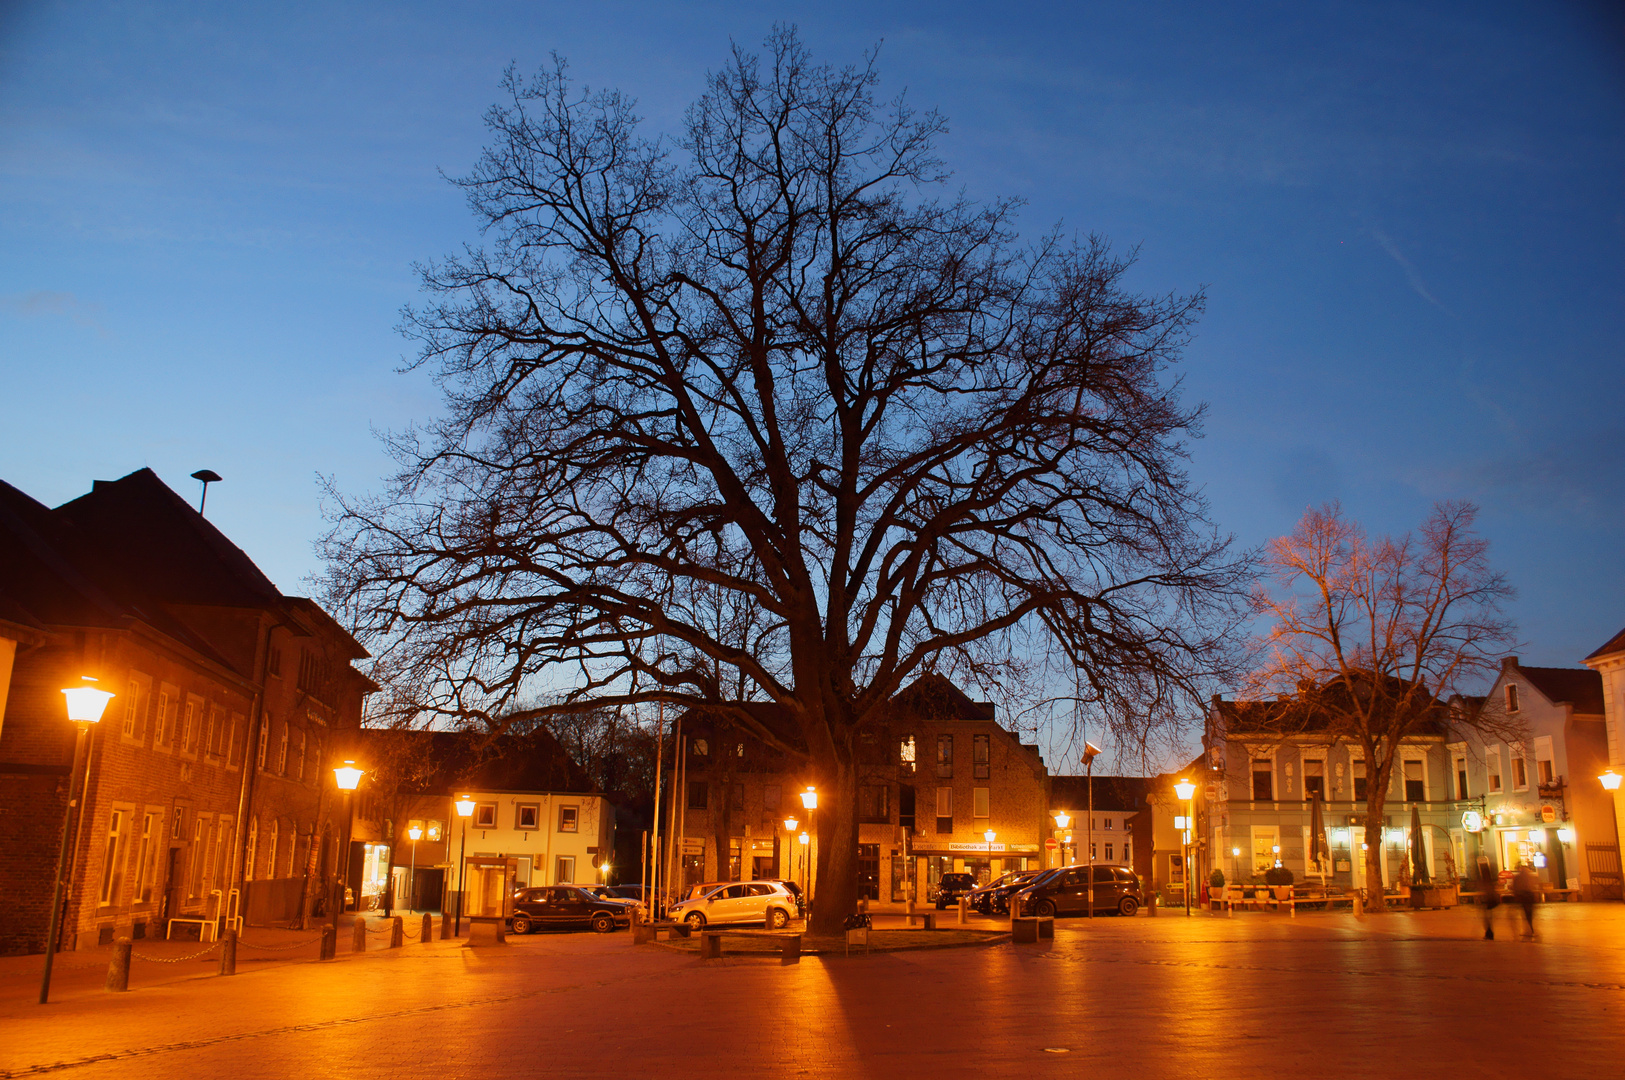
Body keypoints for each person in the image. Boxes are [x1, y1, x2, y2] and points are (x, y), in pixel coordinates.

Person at [1512, 861, 1540, 939]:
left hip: (1523, 896)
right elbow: (1534, 886)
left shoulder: (1517, 877)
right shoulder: (1530, 876)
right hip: (1530, 896)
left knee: (1525, 912)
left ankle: (1529, 928)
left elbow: (1515, 887)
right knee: (1530, 912)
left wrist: (1515, 895)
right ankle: (1531, 928)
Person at [1475, 856, 1500, 940]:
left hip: (1488, 901)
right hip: (1490, 900)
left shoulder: (1484, 879)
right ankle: (1489, 932)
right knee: (1489, 918)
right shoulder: (1490, 878)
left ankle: (1489, 933)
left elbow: (1484, 889)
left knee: (1486, 918)